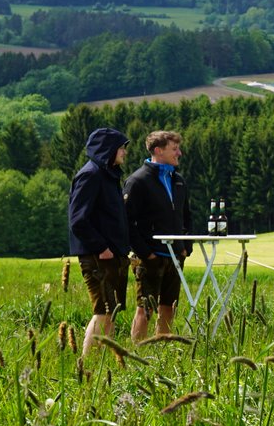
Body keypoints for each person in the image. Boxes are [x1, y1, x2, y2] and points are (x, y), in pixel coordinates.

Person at [122, 129, 191, 343]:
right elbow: (127, 222)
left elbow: (187, 216)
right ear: (158, 150)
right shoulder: (137, 181)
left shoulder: (179, 181)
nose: (179, 153)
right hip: (149, 257)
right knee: (145, 310)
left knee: (169, 306)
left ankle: (163, 350)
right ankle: (138, 351)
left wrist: (186, 248)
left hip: (175, 256)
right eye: (174, 149)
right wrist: (146, 253)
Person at [67, 127, 131, 358]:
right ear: (108, 149)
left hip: (112, 256)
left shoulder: (108, 176)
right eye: (121, 147)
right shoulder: (91, 175)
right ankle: (88, 364)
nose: (124, 152)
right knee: (103, 311)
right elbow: (77, 220)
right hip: (98, 257)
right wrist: (101, 247)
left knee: (110, 312)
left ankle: (102, 363)